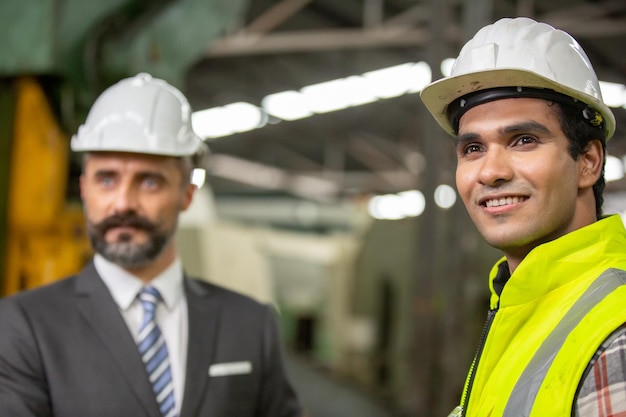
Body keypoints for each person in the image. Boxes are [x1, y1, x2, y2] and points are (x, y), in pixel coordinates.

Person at [0, 73, 302, 417]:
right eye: (107, 179)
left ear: (187, 194)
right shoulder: (24, 327)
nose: (123, 203)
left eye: (149, 182)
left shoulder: (250, 324)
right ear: (85, 190)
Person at [420, 17, 626, 417]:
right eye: (473, 148)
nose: (490, 171)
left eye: (524, 140)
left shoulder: (615, 332)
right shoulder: (516, 307)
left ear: (588, 162)